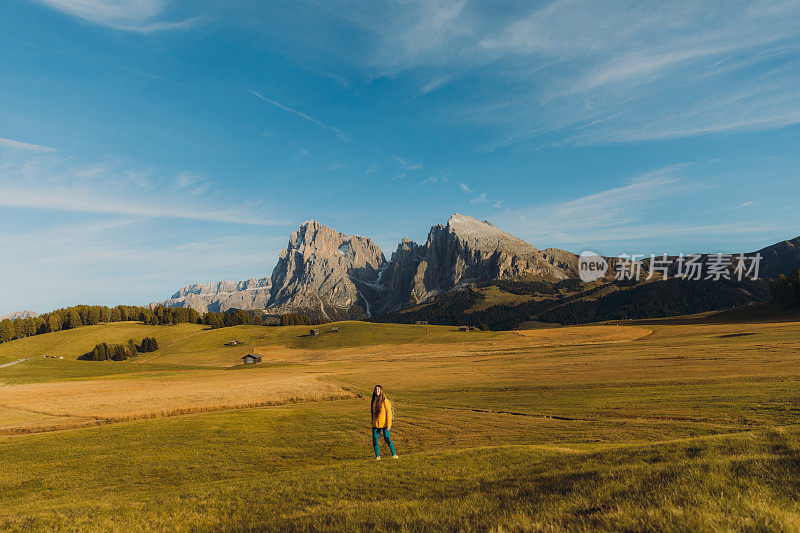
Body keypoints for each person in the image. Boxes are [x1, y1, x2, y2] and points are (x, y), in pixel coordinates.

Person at [371, 384, 398, 460]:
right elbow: (373, 413)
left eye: (378, 390)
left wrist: (389, 425)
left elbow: (389, 413)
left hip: (385, 424)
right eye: (376, 390)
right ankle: (377, 457)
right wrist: (372, 423)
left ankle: (394, 454)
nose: (377, 391)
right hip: (376, 424)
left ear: (381, 391)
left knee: (387, 438)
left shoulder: (385, 400)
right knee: (375, 440)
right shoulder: (374, 400)